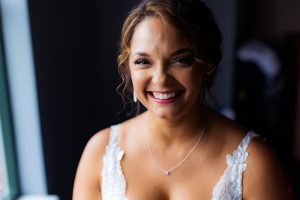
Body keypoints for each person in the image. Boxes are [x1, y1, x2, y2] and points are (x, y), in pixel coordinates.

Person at [73, 0, 288, 199]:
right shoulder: (100, 152)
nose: (160, 79)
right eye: (143, 62)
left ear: (207, 65)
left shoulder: (256, 162)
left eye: (180, 60)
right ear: (127, 68)